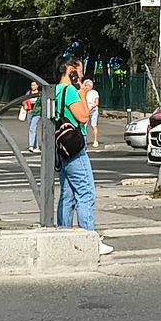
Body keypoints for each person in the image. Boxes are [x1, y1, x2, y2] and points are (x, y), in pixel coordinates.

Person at [52, 58, 111, 255]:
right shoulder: (69, 91)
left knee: (67, 195)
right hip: (75, 147)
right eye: (80, 71)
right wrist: (83, 94)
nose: (82, 76)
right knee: (86, 192)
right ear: (71, 70)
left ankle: (64, 236)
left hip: (61, 147)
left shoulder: (55, 90)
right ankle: (89, 239)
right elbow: (83, 117)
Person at [82, 69, 102, 149]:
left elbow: (96, 103)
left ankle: (95, 140)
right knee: (83, 126)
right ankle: (83, 141)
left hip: (93, 110)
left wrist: (91, 107)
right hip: (86, 110)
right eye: (85, 85)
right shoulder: (83, 92)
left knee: (94, 125)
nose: (86, 86)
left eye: (87, 85)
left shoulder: (94, 92)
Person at [20, 82, 40, 153]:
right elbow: (24, 101)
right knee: (32, 129)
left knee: (32, 128)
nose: (33, 86)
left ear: (37, 86)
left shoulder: (40, 94)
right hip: (29, 112)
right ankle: (36, 147)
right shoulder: (28, 93)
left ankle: (31, 146)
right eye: (32, 85)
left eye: (34, 85)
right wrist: (24, 104)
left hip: (37, 113)